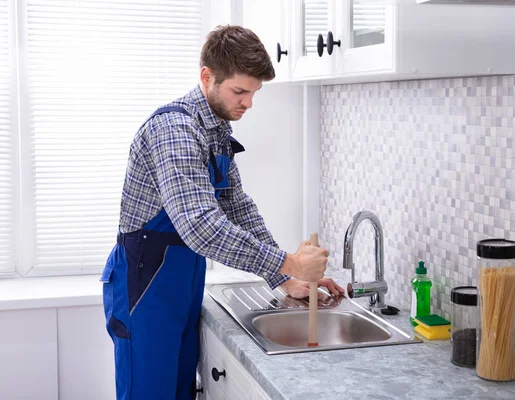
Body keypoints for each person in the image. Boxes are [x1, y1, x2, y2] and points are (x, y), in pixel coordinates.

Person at [100, 24, 344, 400]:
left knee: (181, 391)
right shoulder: (176, 130)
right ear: (207, 77)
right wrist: (290, 263)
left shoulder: (215, 129)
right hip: (144, 287)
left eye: (253, 92)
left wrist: (280, 277)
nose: (248, 103)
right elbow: (200, 227)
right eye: (240, 91)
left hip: (182, 283)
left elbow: (236, 207)